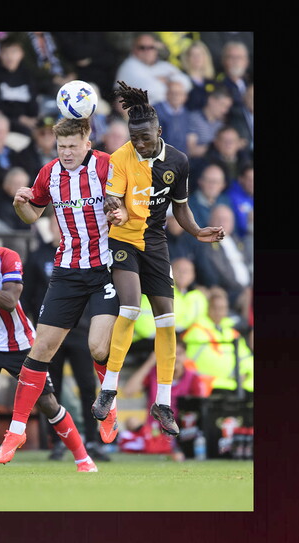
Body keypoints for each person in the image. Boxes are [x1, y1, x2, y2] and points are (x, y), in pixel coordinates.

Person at [93, 81, 225, 437]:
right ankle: (108, 391)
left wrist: (198, 232)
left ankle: (162, 402)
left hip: (155, 243)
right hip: (122, 238)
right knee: (132, 308)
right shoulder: (121, 158)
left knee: (167, 320)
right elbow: (111, 201)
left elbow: (180, 209)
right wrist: (115, 211)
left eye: (146, 137)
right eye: (135, 138)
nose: (140, 143)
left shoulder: (178, 162)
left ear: (159, 131)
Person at [0, 116, 121, 464]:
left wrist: (121, 212)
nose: (65, 153)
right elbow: (31, 216)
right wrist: (22, 203)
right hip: (67, 271)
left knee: (98, 347)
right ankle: (16, 431)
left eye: (71, 146)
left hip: (104, 269)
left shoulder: (107, 166)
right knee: (40, 351)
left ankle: (108, 403)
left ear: (87, 142)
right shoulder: (48, 173)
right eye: (60, 146)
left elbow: (128, 201)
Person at [0, 213, 98, 472]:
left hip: (21, 344)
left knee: (48, 404)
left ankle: (83, 458)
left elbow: (10, 301)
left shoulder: (7, 258)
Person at [21, 214, 110, 462]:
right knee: (52, 389)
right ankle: (58, 443)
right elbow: (27, 296)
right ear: (50, 227)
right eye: (54, 224)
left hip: (81, 332)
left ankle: (94, 441)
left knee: (87, 387)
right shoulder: (39, 255)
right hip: (51, 335)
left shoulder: (88, 253)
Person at [121, 334, 206, 460]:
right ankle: (163, 447)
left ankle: (160, 447)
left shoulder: (193, 378)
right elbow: (128, 391)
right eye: (171, 353)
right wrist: (150, 362)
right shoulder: (154, 373)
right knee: (131, 421)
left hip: (181, 430)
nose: (175, 358)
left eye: (179, 354)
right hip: (154, 430)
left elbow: (200, 408)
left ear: (185, 356)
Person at [0, 36, 40, 136]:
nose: (10, 56)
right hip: (5, 119)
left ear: (21, 54)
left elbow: (33, 99)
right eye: (6, 52)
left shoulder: (27, 74)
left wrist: (33, 118)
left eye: (14, 52)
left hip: (29, 119)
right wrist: (19, 118)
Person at [113, 33, 192, 106]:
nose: (147, 51)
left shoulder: (164, 65)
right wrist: (172, 84)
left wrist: (166, 81)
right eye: (142, 47)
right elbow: (152, 90)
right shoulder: (128, 66)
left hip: (169, 113)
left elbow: (187, 84)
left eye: (151, 47)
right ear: (134, 49)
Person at [186, 87, 234, 159]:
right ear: (211, 100)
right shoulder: (193, 119)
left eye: (227, 107)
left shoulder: (221, 125)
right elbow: (191, 150)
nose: (225, 111)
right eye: (223, 105)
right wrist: (217, 147)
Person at [0, 166, 33, 233]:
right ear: (7, 184)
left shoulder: (28, 202)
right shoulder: (0, 201)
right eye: (16, 184)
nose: (20, 187)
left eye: (23, 184)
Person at [153, 80, 192, 154]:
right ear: (166, 94)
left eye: (179, 93)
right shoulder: (155, 111)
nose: (175, 96)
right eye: (172, 93)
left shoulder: (185, 113)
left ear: (185, 97)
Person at [179, 40, 216, 113]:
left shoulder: (212, 82)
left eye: (200, 54)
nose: (197, 58)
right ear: (187, 58)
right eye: (193, 55)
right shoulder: (181, 79)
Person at [188, 163, 227, 228]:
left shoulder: (226, 201)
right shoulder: (189, 205)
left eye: (216, 182)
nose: (212, 185)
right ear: (200, 181)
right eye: (208, 181)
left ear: (223, 185)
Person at [215, 41, 251, 110]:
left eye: (239, 57)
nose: (235, 61)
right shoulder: (218, 84)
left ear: (247, 62)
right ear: (223, 61)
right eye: (231, 57)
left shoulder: (249, 83)